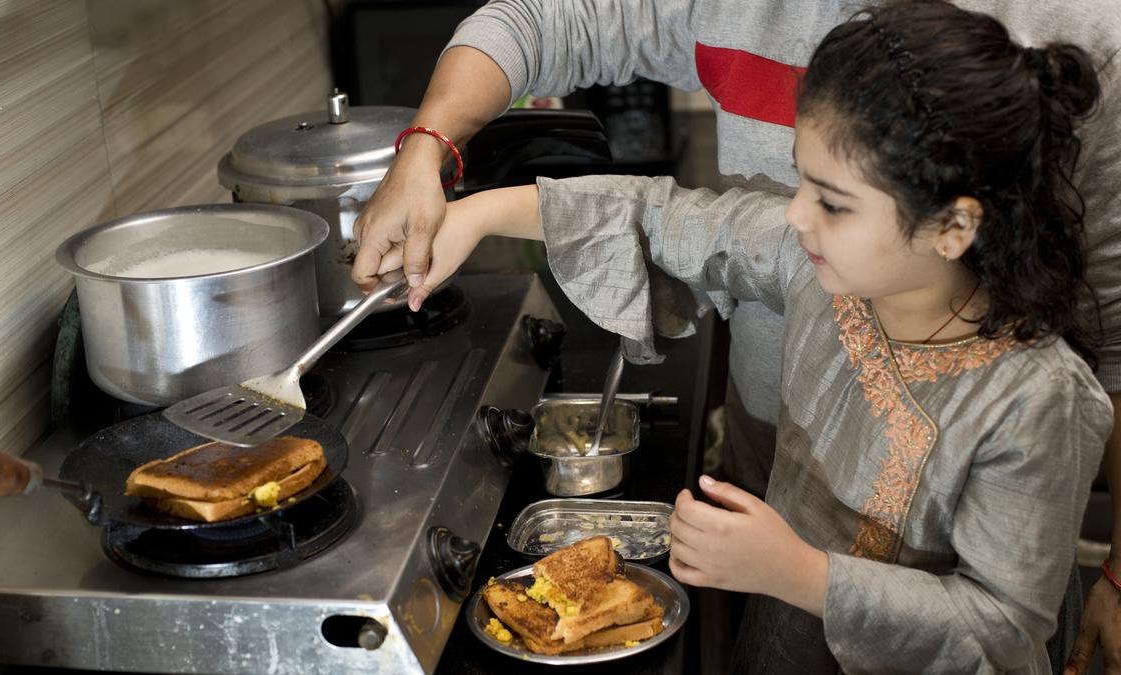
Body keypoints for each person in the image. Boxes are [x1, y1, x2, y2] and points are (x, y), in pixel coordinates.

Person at [351, 0, 1121, 670]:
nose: (793, 213)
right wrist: (477, 211)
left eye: (832, 201)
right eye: (799, 181)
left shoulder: (1040, 399)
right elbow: (667, 215)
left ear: (954, 224)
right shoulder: (816, 272)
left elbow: (1002, 626)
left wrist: (797, 572)